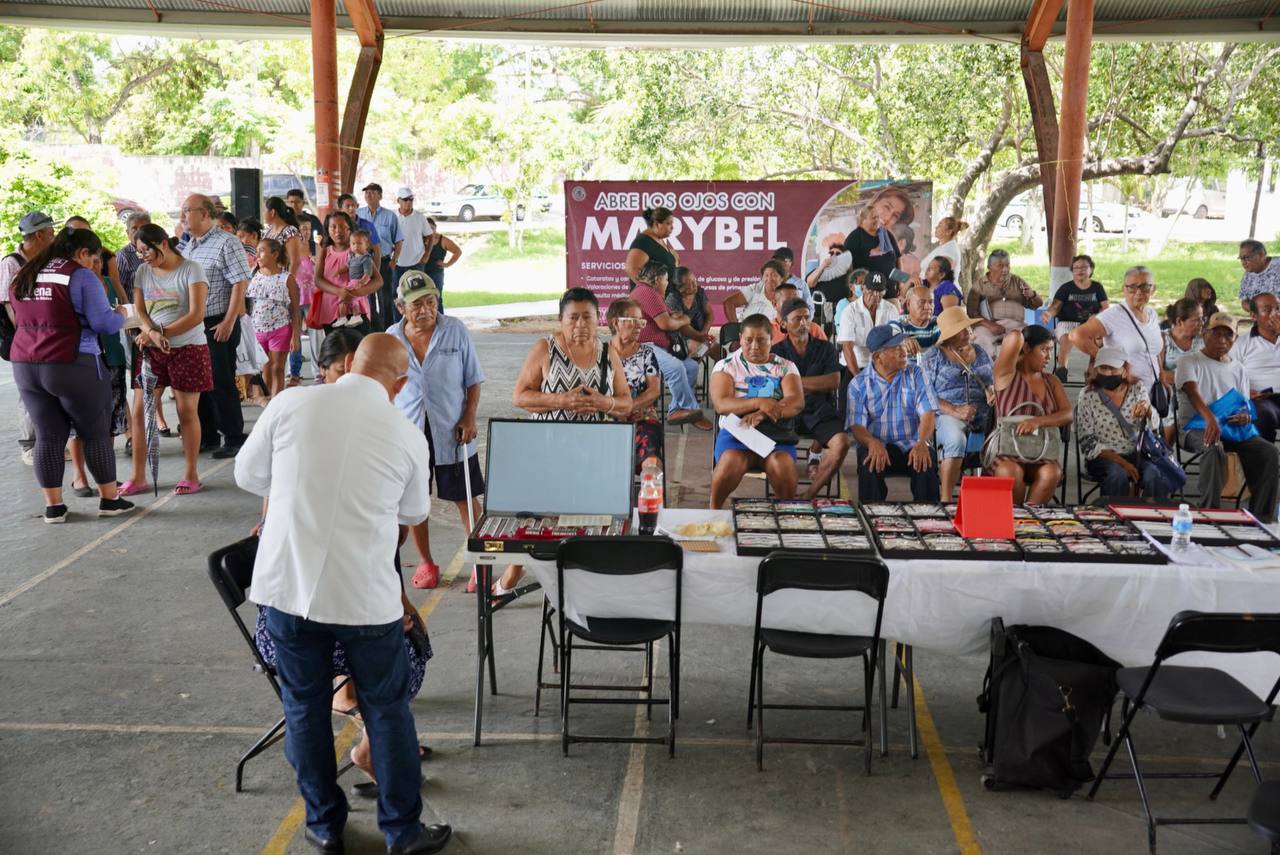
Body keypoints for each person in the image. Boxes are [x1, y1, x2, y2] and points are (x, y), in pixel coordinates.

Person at [234, 333, 453, 855]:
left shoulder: (290, 402)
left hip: (287, 594)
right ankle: (402, 833)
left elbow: (248, 475)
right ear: (399, 385)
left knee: (304, 710)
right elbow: (413, 514)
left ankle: (324, 826)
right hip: (365, 602)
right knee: (387, 712)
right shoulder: (406, 435)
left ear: (349, 363)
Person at [9, 226, 134, 521]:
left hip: (26, 364)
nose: (95, 265)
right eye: (94, 258)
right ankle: (109, 499)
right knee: (95, 432)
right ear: (82, 253)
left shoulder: (24, 274)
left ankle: (54, 507)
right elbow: (103, 324)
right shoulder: (79, 276)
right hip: (72, 362)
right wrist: (122, 314)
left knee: (48, 436)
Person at [387, 273, 490, 593]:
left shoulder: (454, 331)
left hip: (453, 431)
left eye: (431, 302)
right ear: (401, 307)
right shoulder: (391, 338)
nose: (426, 310)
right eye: (417, 304)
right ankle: (426, 563)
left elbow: (473, 379)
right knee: (414, 502)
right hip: (410, 434)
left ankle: (481, 565)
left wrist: (469, 417)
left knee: (465, 498)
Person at [122, 224, 213, 496]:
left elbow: (196, 314)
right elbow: (139, 307)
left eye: (146, 250)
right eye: (139, 253)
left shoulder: (191, 269)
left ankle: (191, 474)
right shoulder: (142, 271)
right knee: (139, 412)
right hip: (151, 350)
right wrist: (150, 333)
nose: (143, 257)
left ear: (162, 243)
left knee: (187, 412)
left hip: (189, 348)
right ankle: (138, 477)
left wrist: (162, 333)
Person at [1176, 312, 1279, 521]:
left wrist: (1245, 417)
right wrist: (1210, 419)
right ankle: (1209, 514)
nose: (1222, 340)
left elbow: (1244, 405)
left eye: (1228, 335)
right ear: (1205, 335)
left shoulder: (1238, 368)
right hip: (1195, 429)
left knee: (1268, 452)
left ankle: (1261, 517)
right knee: (1213, 447)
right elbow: (1192, 393)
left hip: (1231, 430)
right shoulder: (1189, 361)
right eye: (1216, 334)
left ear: (1234, 339)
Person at [179, 193, 252, 460]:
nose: (183, 216)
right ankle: (207, 434)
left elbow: (239, 284)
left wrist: (229, 321)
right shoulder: (189, 246)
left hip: (218, 321)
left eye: (188, 210)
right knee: (200, 382)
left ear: (206, 214)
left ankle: (233, 435)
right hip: (193, 324)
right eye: (182, 210)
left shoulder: (227, 242)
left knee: (221, 381)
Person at [708, 313, 804, 508]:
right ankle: (713, 509)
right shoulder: (726, 366)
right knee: (730, 461)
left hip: (775, 433)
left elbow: (795, 402)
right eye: (748, 340)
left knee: (782, 465)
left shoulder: (785, 366)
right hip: (738, 432)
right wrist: (759, 402)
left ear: (772, 339)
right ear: (740, 339)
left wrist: (763, 413)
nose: (754, 347)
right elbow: (721, 404)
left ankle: (785, 516)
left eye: (761, 340)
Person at [847, 324, 940, 502]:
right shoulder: (858, 384)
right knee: (870, 463)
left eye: (903, 345)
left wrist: (922, 442)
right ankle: (873, 518)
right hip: (877, 444)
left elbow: (928, 414)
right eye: (896, 347)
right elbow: (857, 425)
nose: (903, 350)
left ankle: (929, 520)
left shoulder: (916, 374)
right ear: (877, 357)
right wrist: (871, 442)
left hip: (911, 443)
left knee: (926, 461)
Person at [512, 287, 631, 422]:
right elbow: (519, 397)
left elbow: (627, 403)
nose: (580, 324)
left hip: (596, 439)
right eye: (573, 318)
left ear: (598, 317)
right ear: (561, 319)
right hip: (550, 438)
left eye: (587, 317)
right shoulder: (545, 349)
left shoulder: (608, 352)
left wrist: (604, 403)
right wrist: (561, 401)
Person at [771, 298, 850, 499]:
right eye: (797, 318)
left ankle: (809, 495)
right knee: (769, 447)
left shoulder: (826, 348)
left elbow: (833, 382)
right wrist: (811, 384)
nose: (804, 323)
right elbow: (775, 388)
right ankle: (785, 497)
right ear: (783, 324)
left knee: (841, 443)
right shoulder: (775, 353)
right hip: (786, 412)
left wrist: (793, 383)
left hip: (819, 411)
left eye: (807, 317)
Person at [1076, 346, 1174, 500]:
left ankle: (1152, 517)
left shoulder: (1137, 388)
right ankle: (1112, 520)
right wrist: (1122, 462)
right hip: (1104, 456)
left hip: (1138, 453)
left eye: (1112, 368)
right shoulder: (1088, 395)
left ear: (1124, 369)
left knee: (1155, 474)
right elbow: (1087, 442)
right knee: (1117, 474)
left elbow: (1155, 426)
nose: (1107, 373)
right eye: (1103, 368)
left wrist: (1148, 410)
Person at [989, 326, 1073, 504]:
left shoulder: (1051, 380)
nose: (1049, 357)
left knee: (1052, 472)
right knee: (1009, 472)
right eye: (1043, 350)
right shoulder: (1005, 375)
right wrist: (1022, 332)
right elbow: (1013, 336)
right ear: (1026, 348)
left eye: (1050, 351)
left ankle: (1029, 520)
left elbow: (1068, 414)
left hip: (1042, 451)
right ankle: (1013, 520)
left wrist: (1038, 422)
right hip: (1007, 452)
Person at [922, 306, 995, 502]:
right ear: (950, 335)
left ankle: (987, 499)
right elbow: (925, 395)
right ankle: (946, 499)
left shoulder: (981, 352)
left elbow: (991, 381)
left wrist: (991, 391)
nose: (968, 332)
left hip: (984, 413)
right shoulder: (934, 356)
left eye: (968, 328)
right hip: (947, 413)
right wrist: (956, 410)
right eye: (962, 329)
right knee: (956, 439)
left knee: (1000, 439)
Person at [628, 260, 712, 429]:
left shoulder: (652, 294)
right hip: (645, 347)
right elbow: (666, 324)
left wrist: (681, 321)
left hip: (661, 347)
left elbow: (673, 317)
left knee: (691, 367)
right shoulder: (646, 292)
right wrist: (684, 319)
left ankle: (676, 409)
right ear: (657, 279)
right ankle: (690, 410)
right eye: (666, 280)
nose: (667, 284)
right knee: (675, 367)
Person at [1, 211, 57, 465]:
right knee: (29, 390)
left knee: (49, 387)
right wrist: (28, 333)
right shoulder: (12, 263)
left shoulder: (47, 260)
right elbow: (8, 304)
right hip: (24, 339)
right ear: (39, 235)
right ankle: (29, 445)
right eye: (50, 232)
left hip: (46, 336)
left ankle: (50, 441)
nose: (53, 236)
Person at [1069, 266, 1165, 399]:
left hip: (1153, 391)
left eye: (1145, 287)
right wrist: (1110, 362)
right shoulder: (1114, 315)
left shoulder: (1152, 314)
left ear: (1153, 289)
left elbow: (1154, 351)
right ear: (1123, 290)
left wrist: (1162, 376)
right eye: (1132, 287)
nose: (1138, 292)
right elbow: (1076, 336)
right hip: (1124, 393)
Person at [606, 297, 663, 471]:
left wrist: (628, 407)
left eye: (641, 321)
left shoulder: (647, 354)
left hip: (640, 417)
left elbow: (654, 391)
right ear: (616, 323)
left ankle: (651, 491)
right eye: (633, 321)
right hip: (605, 416)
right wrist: (612, 410)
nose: (639, 326)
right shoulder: (599, 353)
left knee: (650, 441)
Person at [247, 238, 300, 399]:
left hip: (281, 328)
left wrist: (295, 336)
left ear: (275, 254)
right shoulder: (253, 275)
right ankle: (268, 402)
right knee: (266, 368)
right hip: (258, 330)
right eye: (257, 251)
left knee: (278, 367)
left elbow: (295, 310)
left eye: (262, 251)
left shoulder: (286, 278)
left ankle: (277, 402)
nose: (257, 255)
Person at [1043, 254, 1109, 380]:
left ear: (1091, 270)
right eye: (1076, 268)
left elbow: (1106, 309)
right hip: (1067, 323)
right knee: (1067, 338)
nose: (1080, 270)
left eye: (1084, 267)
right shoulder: (1066, 287)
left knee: (1098, 341)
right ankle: (1062, 369)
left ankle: (1092, 371)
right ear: (1072, 271)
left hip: (1090, 324)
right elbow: (1055, 306)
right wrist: (1048, 314)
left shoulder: (1097, 287)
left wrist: (1097, 316)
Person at [313, 212, 381, 334]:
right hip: (330, 310)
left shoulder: (358, 251)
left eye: (342, 226)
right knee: (336, 349)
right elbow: (318, 279)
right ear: (327, 230)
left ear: (350, 228)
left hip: (357, 310)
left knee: (359, 348)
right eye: (333, 227)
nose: (338, 231)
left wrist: (357, 293)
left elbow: (378, 281)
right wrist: (339, 292)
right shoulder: (324, 251)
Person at [967, 249, 1042, 357]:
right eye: (1000, 266)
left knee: (1033, 337)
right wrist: (990, 325)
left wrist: (1033, 295)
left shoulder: (1017, 282)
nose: (1005, 270)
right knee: (980, 337)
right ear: (990, 267)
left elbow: (1037, 305)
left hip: (1017, 325)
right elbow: (971, 314)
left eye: (1007, 265)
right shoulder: (979, 286)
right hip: (987, 326)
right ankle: (987, 369)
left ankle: (1023, 370)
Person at [1230, 291, 1280, 442]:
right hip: (1263, 401)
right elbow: (1228, 374)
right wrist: (1244, 392)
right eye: (1267, 310)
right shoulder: (1243, 344)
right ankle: (1265, 462)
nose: (1275, 314)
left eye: (1278, 308)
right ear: (1254, 316)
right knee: (1262, 415)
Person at [357, 183, 404, 330]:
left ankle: (389, 330)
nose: (368, 195)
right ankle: (371, 329)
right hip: (363, 263)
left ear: (380, 196)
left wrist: (394, 260)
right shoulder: (359, 214)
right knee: (367, 299)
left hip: (384, 262)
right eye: (366, 193)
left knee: (386, 299)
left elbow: (398, 240)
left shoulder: (390, 216)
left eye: (372, 192)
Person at [1161, 297, 1205, 443]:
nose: (1201, 323)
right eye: (1196, 320)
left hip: (1200, 391)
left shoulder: (1203, 339)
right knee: (1170, 409)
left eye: (1202, 318)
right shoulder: (1163, 339)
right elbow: (1159, 373)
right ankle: (1167, 457)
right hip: (1171, 392)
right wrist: (1188, 378)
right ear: (1180, 321)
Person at [836, 272, 899, 375]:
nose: (876, 295)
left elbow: (896, 341)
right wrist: (859, 378)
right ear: (863, 289)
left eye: (880, 291)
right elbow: (847, 347)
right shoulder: (850, 311)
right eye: (872, 290)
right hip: (856, 365)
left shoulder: (891, 310)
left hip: (882, 366)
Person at [666, 266, 722, 362]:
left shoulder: (699, 292)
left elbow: (710, 314)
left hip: (700, 334)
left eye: (694, 280)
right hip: (680, 338)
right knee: (698, 350)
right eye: (690, 284)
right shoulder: (673, 299)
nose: (695, 285)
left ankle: (718, 374)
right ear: (680, 288)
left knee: (720, 351)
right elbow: (682, 326)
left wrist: (704, 333)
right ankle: (690, 373)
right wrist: (701, 338)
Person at [393, 187, 432, 316]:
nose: (408, 202)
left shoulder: (420, 217)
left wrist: (426, 255)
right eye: (405, 200)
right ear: (398, 200)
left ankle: (417, 319)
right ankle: (398, 325)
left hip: (417, 262)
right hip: (397, 263)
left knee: (418, 295)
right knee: (397, 296)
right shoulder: (393, 217)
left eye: (411, 199)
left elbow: (430, 236)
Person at [843, 205, 900, 292]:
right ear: (862, 220)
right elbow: (848, 267)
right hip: (869, 293)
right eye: (873, 217)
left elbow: (897, 259)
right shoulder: (854, 238)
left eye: (878, 217)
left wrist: (900, 283)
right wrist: (854, 290)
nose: (877, 220)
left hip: (890, 290)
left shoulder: (886, 234)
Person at [624, 206, 678, 289]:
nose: (672, 227)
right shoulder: (643, 241)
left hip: (664, 298)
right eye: (668, 223)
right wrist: (652, 291)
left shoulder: (658, 239)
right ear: (657, 224)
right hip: (647, 300)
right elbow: (631, 269)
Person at [263, 196, 303, 293]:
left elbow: (295, 262)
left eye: (265, 211)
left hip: (282, 284)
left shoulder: (290, 231)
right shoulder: (268, 231)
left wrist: (286, 285)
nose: (263, 214)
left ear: (272, 212)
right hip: (267, 282)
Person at [340, 228, 376, 328]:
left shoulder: (366, 258)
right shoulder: (352, 257)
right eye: (353, 243)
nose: (356, 246)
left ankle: (357, 316)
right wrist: (337, 271)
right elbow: (346, 267)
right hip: (351, 281)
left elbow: (368, 273)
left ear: (367, 245)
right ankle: (342, 317)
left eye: (359, 243)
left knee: (355, 300)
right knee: (344, 300)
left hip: (358, 282)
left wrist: (361, 282)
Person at [421, 218, 460, 309]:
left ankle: (440, 321)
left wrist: (447, 264)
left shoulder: (442, 240)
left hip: (436, 273)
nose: (430, 230)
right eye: (427, 228)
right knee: (423, 299)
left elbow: (457, 251)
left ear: (436, 228)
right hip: (422, 273)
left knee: (437, 299)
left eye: (432, 228)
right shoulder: (421, 239)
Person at [806, 233, 854, 306]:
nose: (834, 256)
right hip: (812, 312)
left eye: (838, 254)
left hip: (835, 313)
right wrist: (822, 266)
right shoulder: (820, 270)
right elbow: (810, 283)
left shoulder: (849, 278)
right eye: (831, 253)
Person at [890, 286, 939, 356]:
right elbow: (887, 337)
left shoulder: (937, 323)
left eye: (931, 302)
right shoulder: (898, 323)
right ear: (908, 304)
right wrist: (901, 340)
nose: (928, 307)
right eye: (922, 302)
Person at [1238, 239, 1280, 312]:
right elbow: (1244, 302)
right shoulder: (1248, 274)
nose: (1243, 262)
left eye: (1247, 258)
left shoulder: (1277, 267)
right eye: (1241, 258)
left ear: (1261, 255)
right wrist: (1259, 313)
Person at [770, 247, 815, 313]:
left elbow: (810, 308)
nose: (779, 264)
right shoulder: (769, 282)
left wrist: (803, 321)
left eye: (783, 261)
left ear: (792, 264)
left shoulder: (800, 284)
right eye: (776, 261)